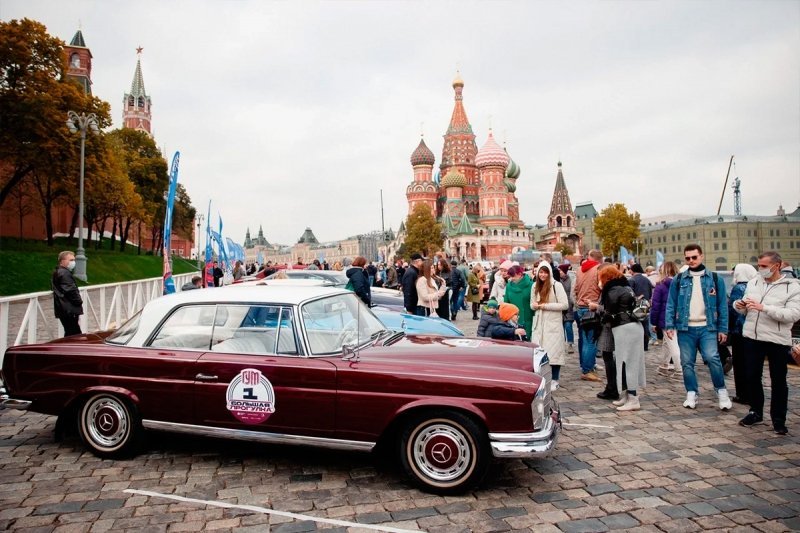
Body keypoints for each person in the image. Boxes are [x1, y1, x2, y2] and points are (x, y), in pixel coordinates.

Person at [735, 252, 800, 435]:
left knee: (778, 380)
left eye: (764, 266)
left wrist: (765, 308)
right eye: (759, 266)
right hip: (753, 337)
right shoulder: (754, 282)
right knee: (752, 377)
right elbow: (746, 309)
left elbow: (793, 314)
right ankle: (755, 411)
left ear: (776, 266)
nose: (760, 269)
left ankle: (779, 419)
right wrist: (740, 306)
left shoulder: (792, 287)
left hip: (777, 339)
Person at [664, 244, 732, 410]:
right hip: (685, 328)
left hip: (708, 327)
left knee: (712, 358)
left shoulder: (715, 279)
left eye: (694, 257)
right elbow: (671, 303)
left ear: (701, 256)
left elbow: (722, 305)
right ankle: (692, 393)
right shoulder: (679, 279)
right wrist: (669, 324)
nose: (691, 260)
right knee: (687, 362)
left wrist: (723, 328)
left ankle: (721, 391)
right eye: (688, 258)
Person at [592, 265, 646, 411]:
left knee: (628, 364)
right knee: (626, 362)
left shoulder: (612, 290)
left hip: (624, 328)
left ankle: (633, 398)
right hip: (629, 327)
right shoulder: (625, 287)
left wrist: (596, 309)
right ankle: (627, 396)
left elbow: (609, 312)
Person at [531, 263, 569, 391]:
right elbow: (532, 304)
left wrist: (545, 305)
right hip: (538, 323)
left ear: (549, 273)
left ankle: (555, 379)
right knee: (539, 352)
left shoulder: (556, 286)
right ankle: (542, 378)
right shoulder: (535, 285)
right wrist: (535, 306)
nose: (543, 275)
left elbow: (564, 305)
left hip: (552, 323)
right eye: (541, 272)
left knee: (554, 353)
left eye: (545, 272)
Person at [727, 263, 758, 404]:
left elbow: (733, 311)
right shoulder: (755, 285)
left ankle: (743, 394)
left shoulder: (738, 287)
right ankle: (752, 393)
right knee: (751, 364)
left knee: (740, 364)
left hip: (739, 331)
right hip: (753, 330)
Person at [575, 250, 604, 382]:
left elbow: (576, 289)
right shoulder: (598, 269)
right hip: (591, 308)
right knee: (591, 341)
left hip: (580, 307)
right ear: (600, 259)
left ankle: (587, 366)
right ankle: (587, 370)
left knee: (584, 340)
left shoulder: (579, 269)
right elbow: (602, 287)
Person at [650, 261, 681, 380]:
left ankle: (679, 371)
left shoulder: (661, 285)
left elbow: (656, 305)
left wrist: (653, 322)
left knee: (673, 344)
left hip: (666, 318)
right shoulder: (681, 283)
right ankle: (664, 365)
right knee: (667, 342)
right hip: (680, 317)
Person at [51, 251, 83, 337]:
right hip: (69, 309)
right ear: (62, 261)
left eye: (74, 260)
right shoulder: (64, 273)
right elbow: (71, 290)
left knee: (70, 333)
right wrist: (79, 301)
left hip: (64, 309)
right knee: (74, 335)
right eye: (71, 260)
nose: (73, 262)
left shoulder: (59, 271)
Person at [628, 264, 653, 351]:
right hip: (645, 304)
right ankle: (645, 345)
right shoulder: (647, 280)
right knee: (645, 325)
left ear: (632, 270)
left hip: (635, 305)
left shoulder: (632, 280)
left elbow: (629, 293)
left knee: (635, 326)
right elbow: (650, 293)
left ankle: (636, 346)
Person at [505, 265, 534, 338]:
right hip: (513, 320)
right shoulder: (509, 286)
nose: (511, 279)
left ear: (520, 274)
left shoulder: (531, 285)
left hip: (528, 319)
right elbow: (506, 303)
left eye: (513, 276)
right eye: (510, 276)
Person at [558, 263, 575, 353]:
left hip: (569, 307)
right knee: (560, 327)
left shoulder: (570, 280)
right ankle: (562, 344)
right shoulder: (557, 280)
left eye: (560, 270)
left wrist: (572, 303)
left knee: (568, 326)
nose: (559, 272)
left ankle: (570, 344)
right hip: (560, 307)